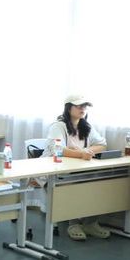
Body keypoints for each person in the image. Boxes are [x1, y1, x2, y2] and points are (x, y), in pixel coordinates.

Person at [43, 95, 109, 241]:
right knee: (72, 187)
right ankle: (73, 224)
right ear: (68, 108)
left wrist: (87, 151)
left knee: (98, 184)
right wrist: (81, 153)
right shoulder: (58, 126)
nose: (82, 109)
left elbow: (102, 144)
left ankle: (90, 223)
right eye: (79, 106)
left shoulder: (86, 126)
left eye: (84, 106)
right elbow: (58, 150)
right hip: (54, 171)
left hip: (76, 169)